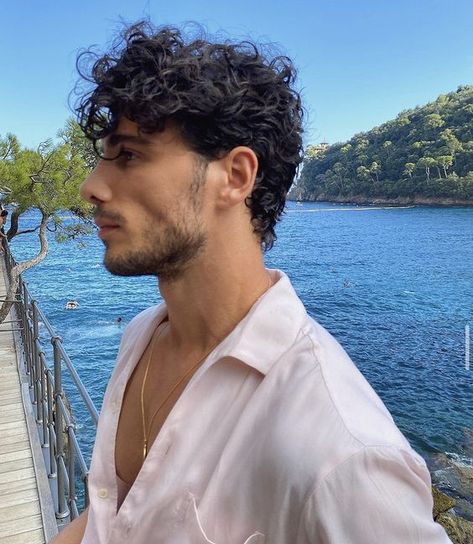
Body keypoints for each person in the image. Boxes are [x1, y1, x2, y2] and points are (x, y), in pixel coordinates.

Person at [52, 22, 451, 544]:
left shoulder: (342, 452)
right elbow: (115, 518)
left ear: (236, 177)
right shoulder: (141, 337)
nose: (91, 186)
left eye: (128, 155)